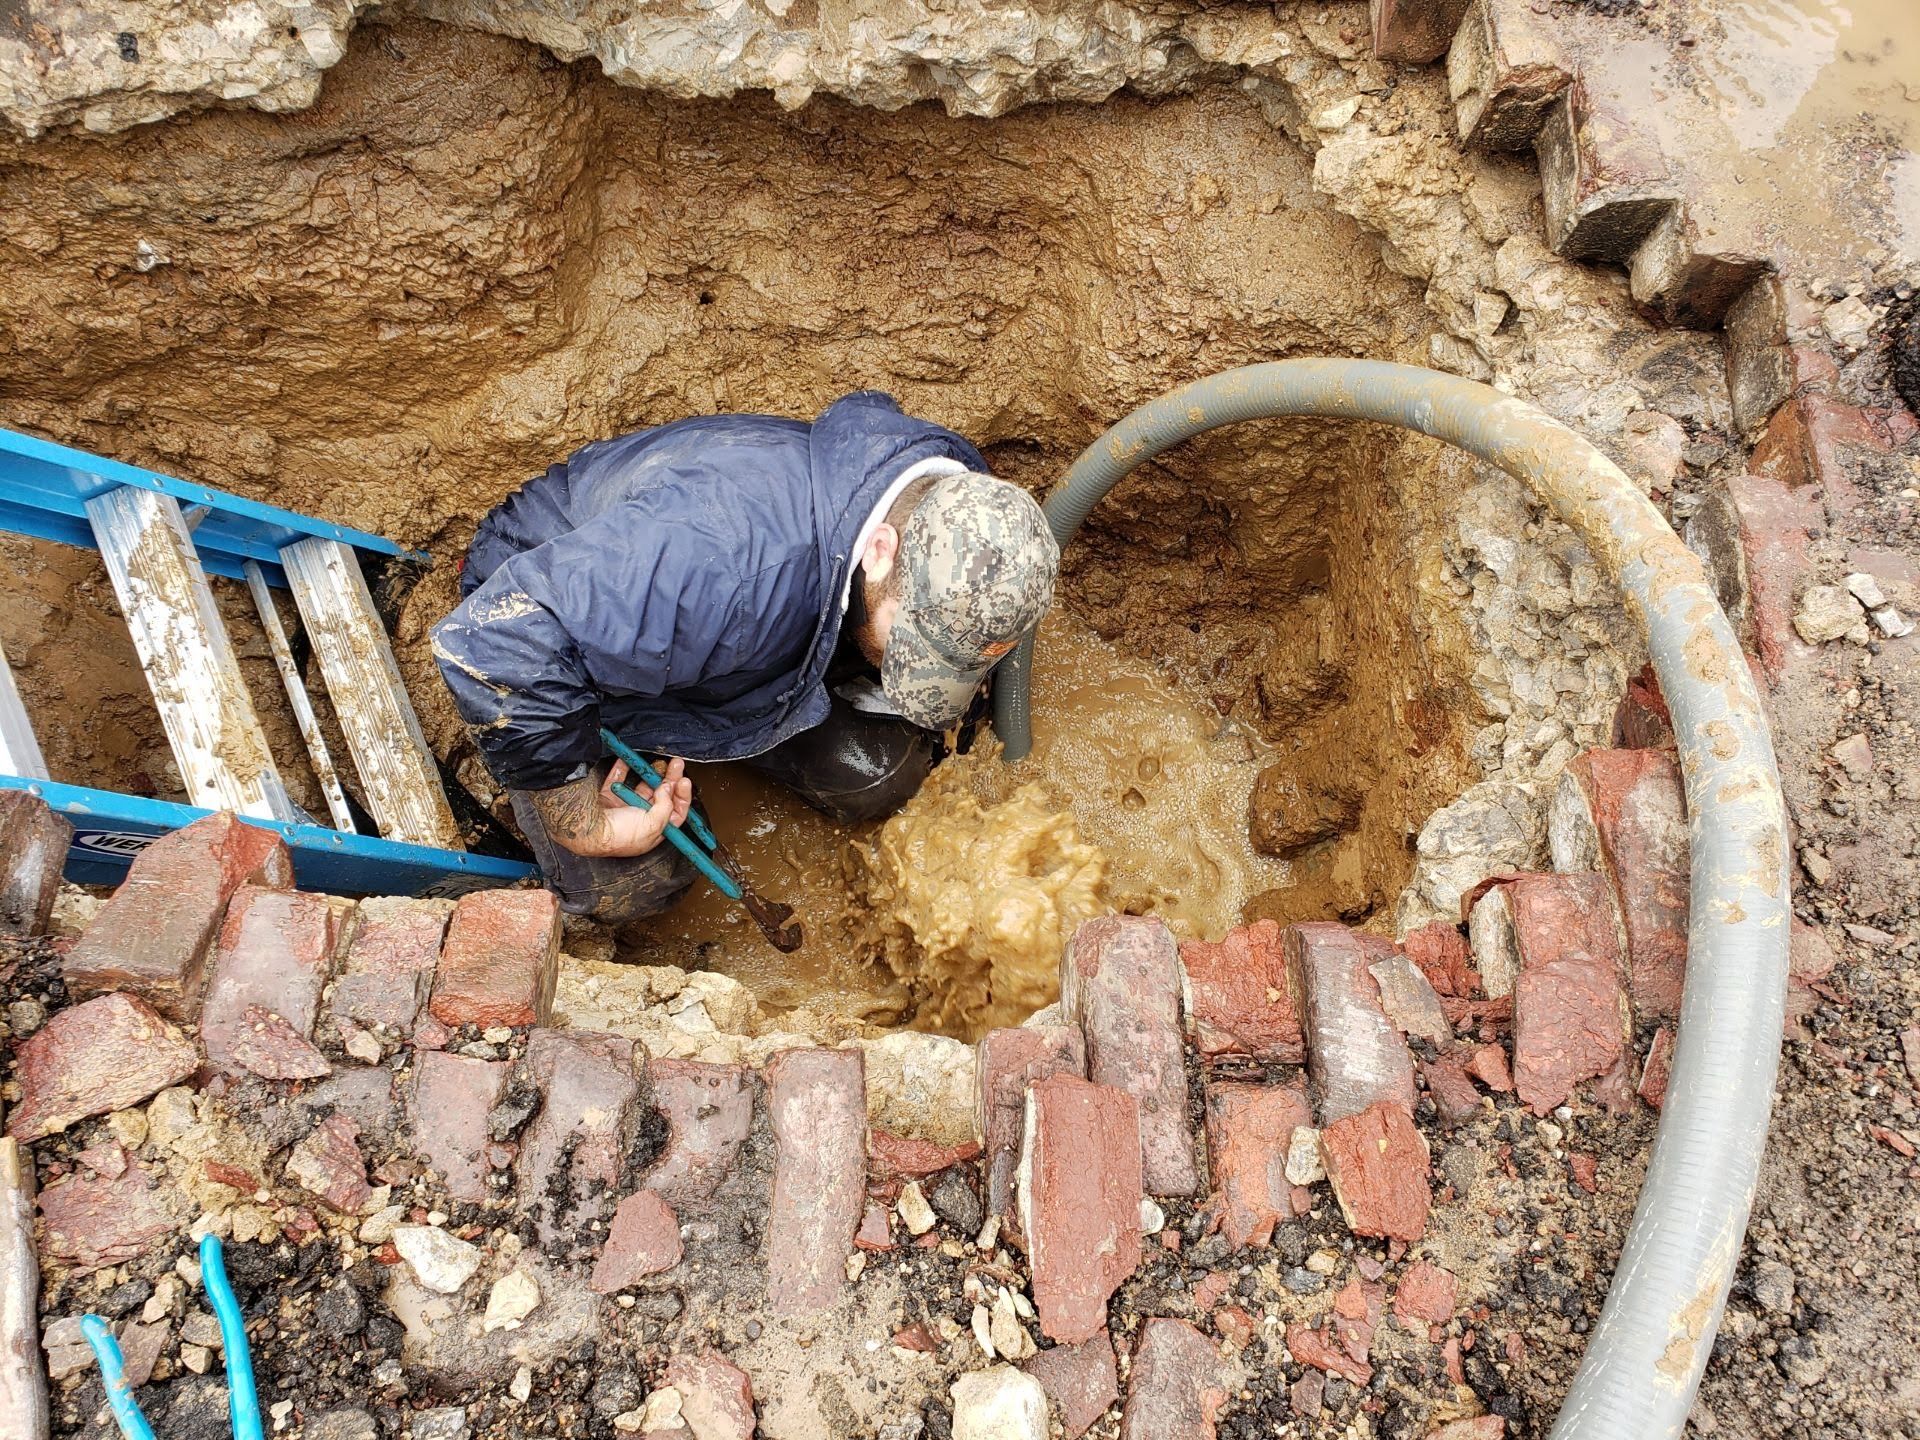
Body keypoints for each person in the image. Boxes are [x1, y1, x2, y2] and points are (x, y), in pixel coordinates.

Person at [432, 391, 1059, 922]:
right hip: (547, 627)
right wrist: (580, 824)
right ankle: (615, 750)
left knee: (878, 776)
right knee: (635, 886)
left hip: (708, 616)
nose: (912, 662)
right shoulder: (727, 569)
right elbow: (499, 643)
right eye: (913, 639)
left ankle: (712, 716)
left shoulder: (949, 491)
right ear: (883, 548)